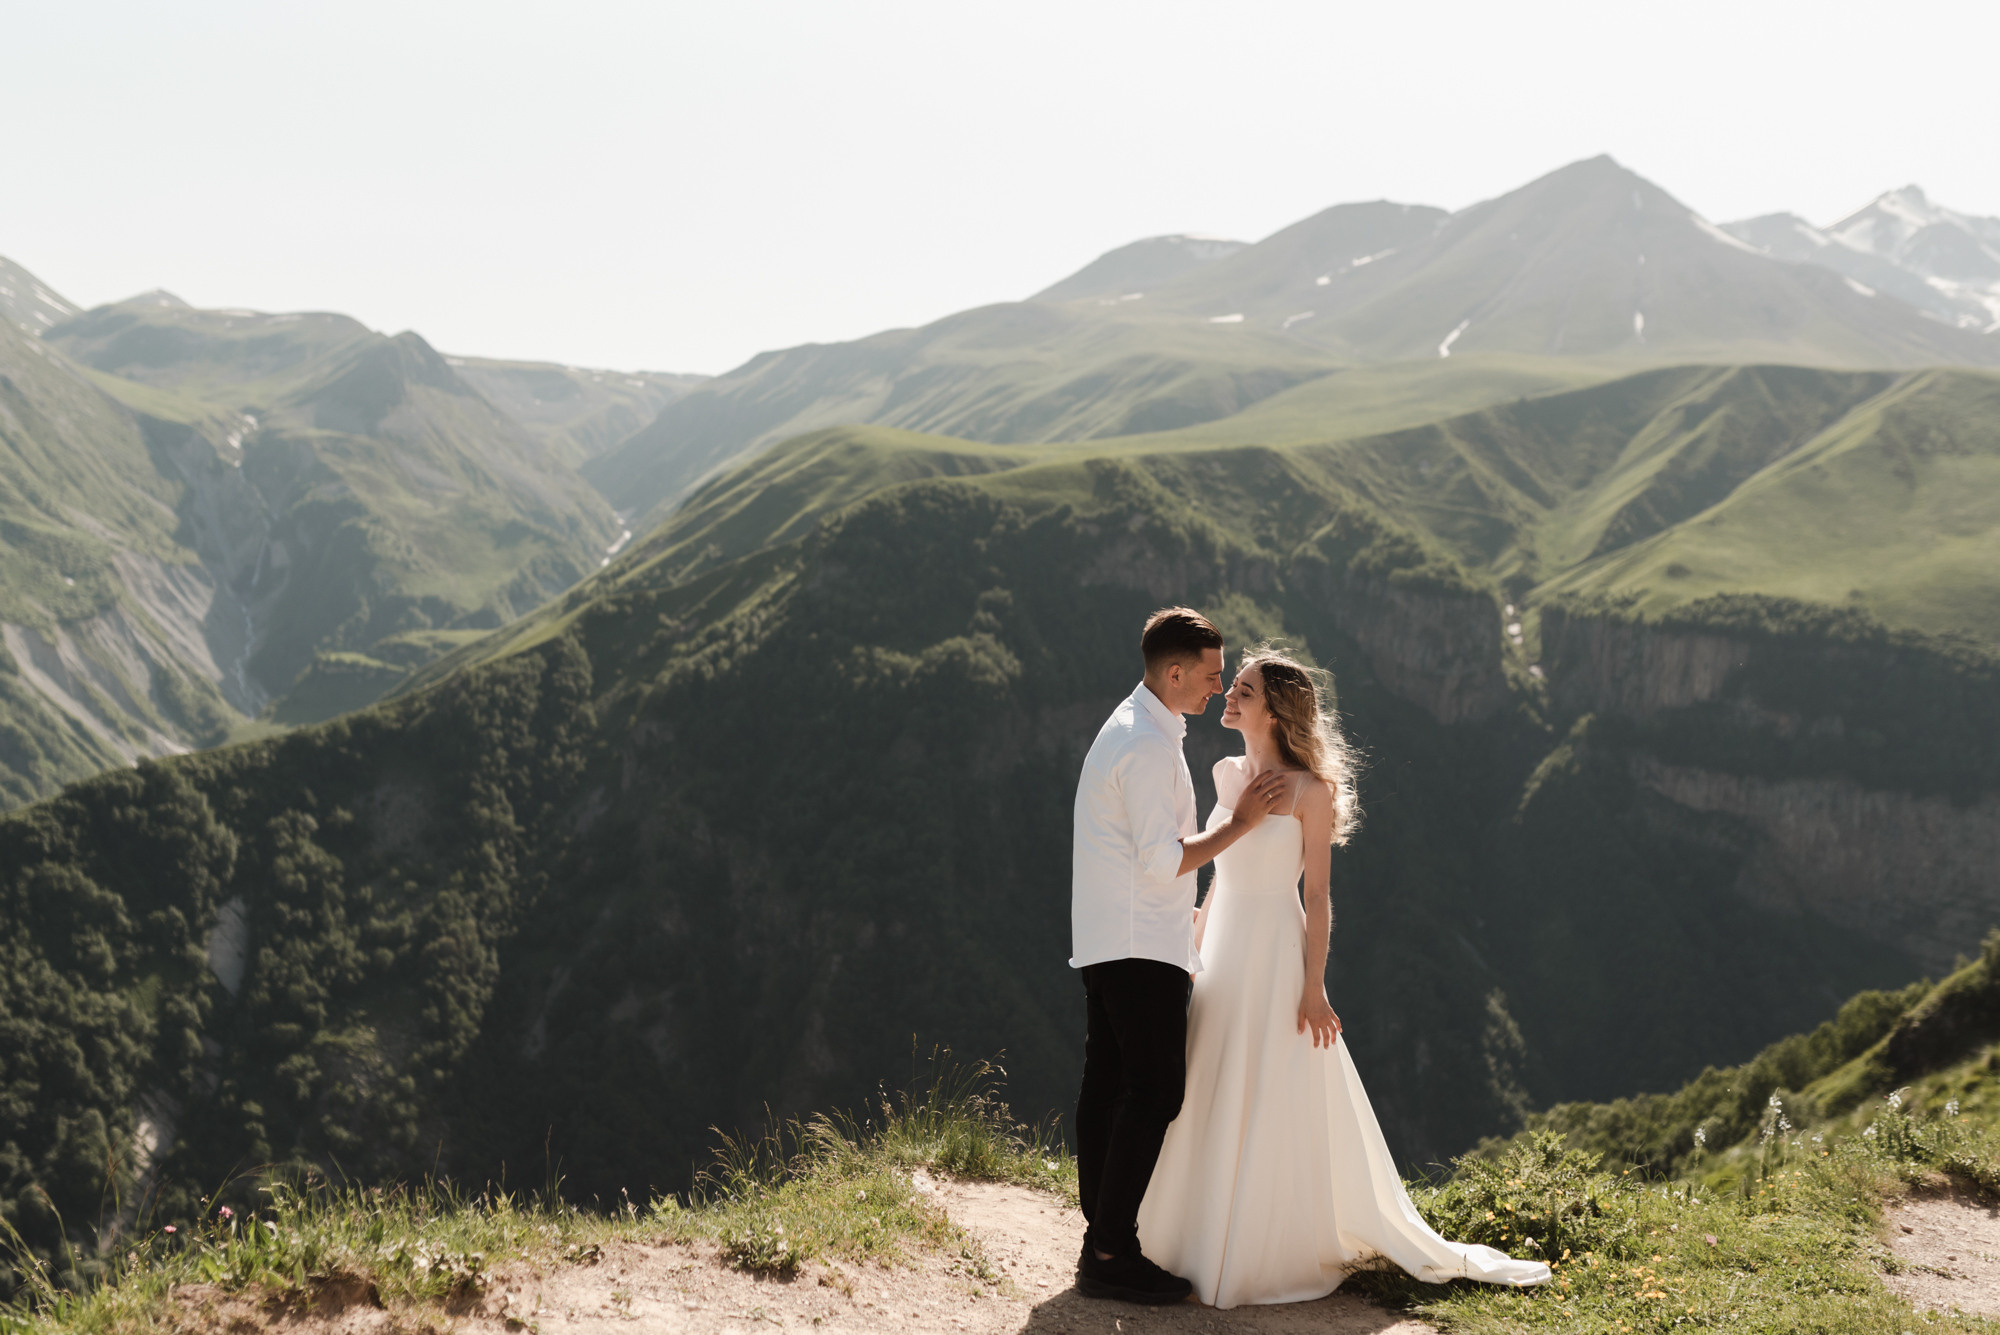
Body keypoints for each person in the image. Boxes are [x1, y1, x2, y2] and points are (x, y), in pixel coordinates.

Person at [1134, 647, 1551, 1307]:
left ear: (1274, 711)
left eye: (1242, 689)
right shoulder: (1225, 771)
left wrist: (1312, 985)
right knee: (1208, 1079)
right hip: (1222, 948)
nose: (1229, 697)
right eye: (1233, 685)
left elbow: (1319, 897)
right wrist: (1194, 930)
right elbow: (1222, 867)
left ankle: (1254, 1248)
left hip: (1272, 951)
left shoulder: (1310, 791)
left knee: (1266, 1083)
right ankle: (1190, 1234)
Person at [1069, 607, 1291, 1304]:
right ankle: (1111, 1250)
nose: (1217, 687)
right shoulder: (1144, 745)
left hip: (1114, 938)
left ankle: (1100, 1235)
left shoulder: (1138, 729)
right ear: (1174, 672)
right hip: (1140, 944)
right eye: (1210, 674)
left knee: (1108, 1083)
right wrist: (1240, 824)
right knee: (1155, 1088)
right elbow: (1163, 860)